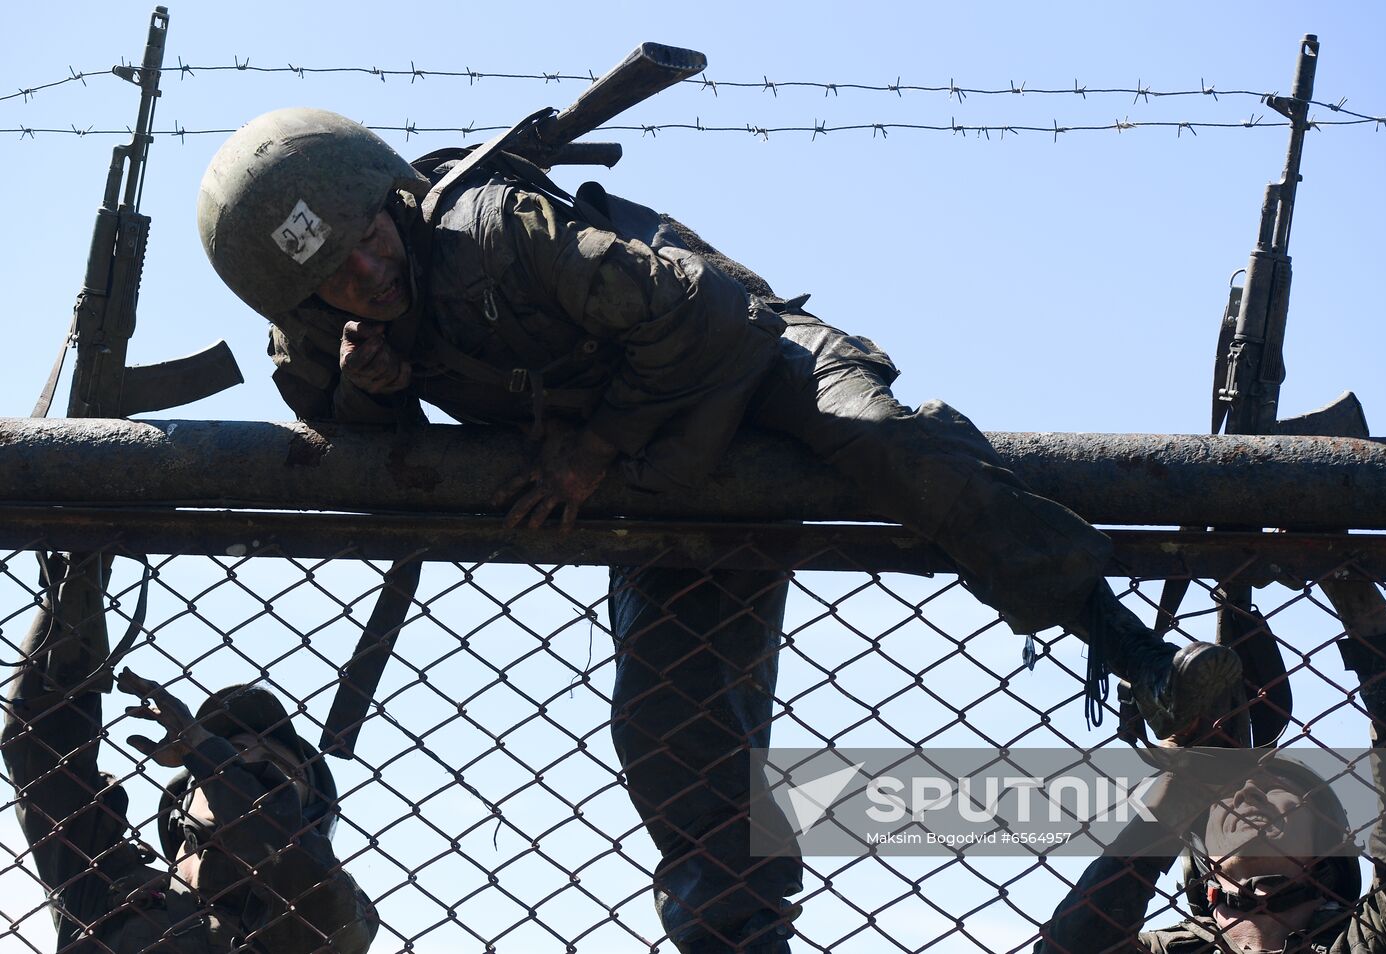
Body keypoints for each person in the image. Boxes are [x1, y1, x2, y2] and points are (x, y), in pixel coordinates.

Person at [195, 107, 1244, 952]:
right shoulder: (322, 342)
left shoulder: (494, 231)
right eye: (333, 274)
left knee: (881, 439)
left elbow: (710, 314)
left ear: (390, 196)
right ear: (293, 294)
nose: (366, 276)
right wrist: (370, 395)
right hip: (661, 479)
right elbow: (363, 467)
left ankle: (1128, 645)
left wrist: (594, 447)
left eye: (370, 239)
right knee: (668, 721)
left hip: (736, 369)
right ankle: (735, 937)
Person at [1, 551, 378, 953]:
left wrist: (205, 750)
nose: (245, 759)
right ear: (185, 799)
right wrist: (78, 585)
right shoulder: (108, 889)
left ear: (311, 815)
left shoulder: (327, 913)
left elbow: (300, 870)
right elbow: (42, 754)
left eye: (275, 771)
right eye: (232, 752)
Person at [1037, 577, 1386, 952]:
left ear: (1325, 847)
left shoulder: (1367, 941)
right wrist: (1172, 804)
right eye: (1219, 799)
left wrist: (1351, 592)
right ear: (1204, 861)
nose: (1247, 790)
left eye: (1279, 787)